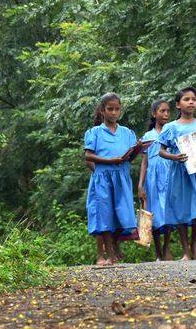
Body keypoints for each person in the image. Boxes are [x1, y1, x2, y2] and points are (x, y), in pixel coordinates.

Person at [158, 87, 196, 260]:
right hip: (180, 173)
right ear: (178, 104)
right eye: (186, 99)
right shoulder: (171, 127)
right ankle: (185, 251)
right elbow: (161, 151)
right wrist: (174, 156)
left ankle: (194, 244)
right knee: (182, 209)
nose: (191, 102)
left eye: (193, 99)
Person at [83, 92, 139, 266]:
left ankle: (114, 246)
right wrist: (110, 161)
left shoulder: (127, 132)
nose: (114, 113)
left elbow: (130, 157)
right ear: (102, 110)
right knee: (104, 214)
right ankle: (108, 253)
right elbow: (89, 156)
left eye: (117, 109)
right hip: (103, 179)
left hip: (121, 178)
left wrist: (136, 150)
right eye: (110, 109)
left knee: (123, 213)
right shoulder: (94, 133)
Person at [138, 98, 173, 261]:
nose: (166, 114)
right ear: (154, 114)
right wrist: (140, 185)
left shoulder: (172, 132)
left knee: (168, 212)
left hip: (169, 175)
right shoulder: (148, 136)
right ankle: (158, 251)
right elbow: (144, 162)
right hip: (152, 178)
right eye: (162, 111)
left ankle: (167, 248)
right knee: (154, 213)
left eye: (168, 111)